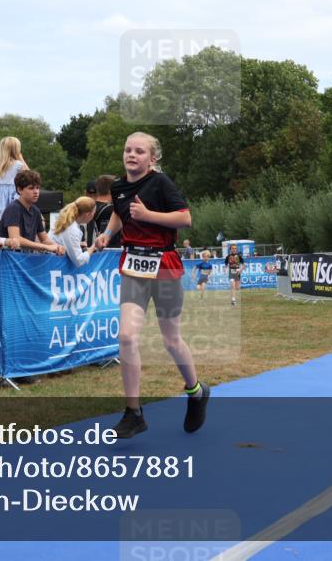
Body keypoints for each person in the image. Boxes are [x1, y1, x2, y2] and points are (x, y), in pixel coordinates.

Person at [95, 132, 209, 439]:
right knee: (126, 336)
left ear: (152, 158)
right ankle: (133, 413)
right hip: (133, 266)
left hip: (165, 266)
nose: (132, 155)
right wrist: (108, 234)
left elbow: (185, 219)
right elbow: (121, 215)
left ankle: (196, 390)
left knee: (171, 341)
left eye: (139, 151)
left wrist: (148, 215)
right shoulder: (117, 187)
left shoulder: (161, 183)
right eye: (127, 149)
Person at [0, 169, 65, 255]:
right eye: (31, 188)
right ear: (20, 190)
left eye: (38, 188)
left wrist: (57, 246)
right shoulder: (13, 208)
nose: (36, 192)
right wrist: (45, 247)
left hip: (25, 260)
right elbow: (15, 238)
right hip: (10, 260)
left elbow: (44, 239)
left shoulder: (36, 211)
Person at [51, 196, 98, 267]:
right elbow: (79, 261)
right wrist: (94, 247)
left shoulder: (67, 221)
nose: (93, 216)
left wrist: (77, 244)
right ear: (88, 214)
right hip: (53, 264)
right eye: (93, 213)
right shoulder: (72, 229)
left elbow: (62, 241)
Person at [0, 136, 28, 218]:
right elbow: (29, 176)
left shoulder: (0, 165)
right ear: (16, 150)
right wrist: (21, 158)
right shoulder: (18, 164)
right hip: (10, 194)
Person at [88, 174, 121, 248]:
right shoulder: (113, 211)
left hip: (88, 250)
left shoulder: (87, 207)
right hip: (107, 253)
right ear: (111, 190)